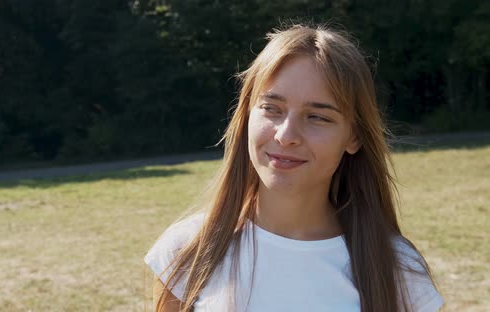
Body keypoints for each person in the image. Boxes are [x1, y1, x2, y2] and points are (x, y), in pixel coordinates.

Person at [144, 23, 444, 312]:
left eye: (317, 117)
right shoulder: (186, 251)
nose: (286, 136)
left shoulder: (398, 270)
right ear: (247, 117)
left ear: (354, 136)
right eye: (271, 109)